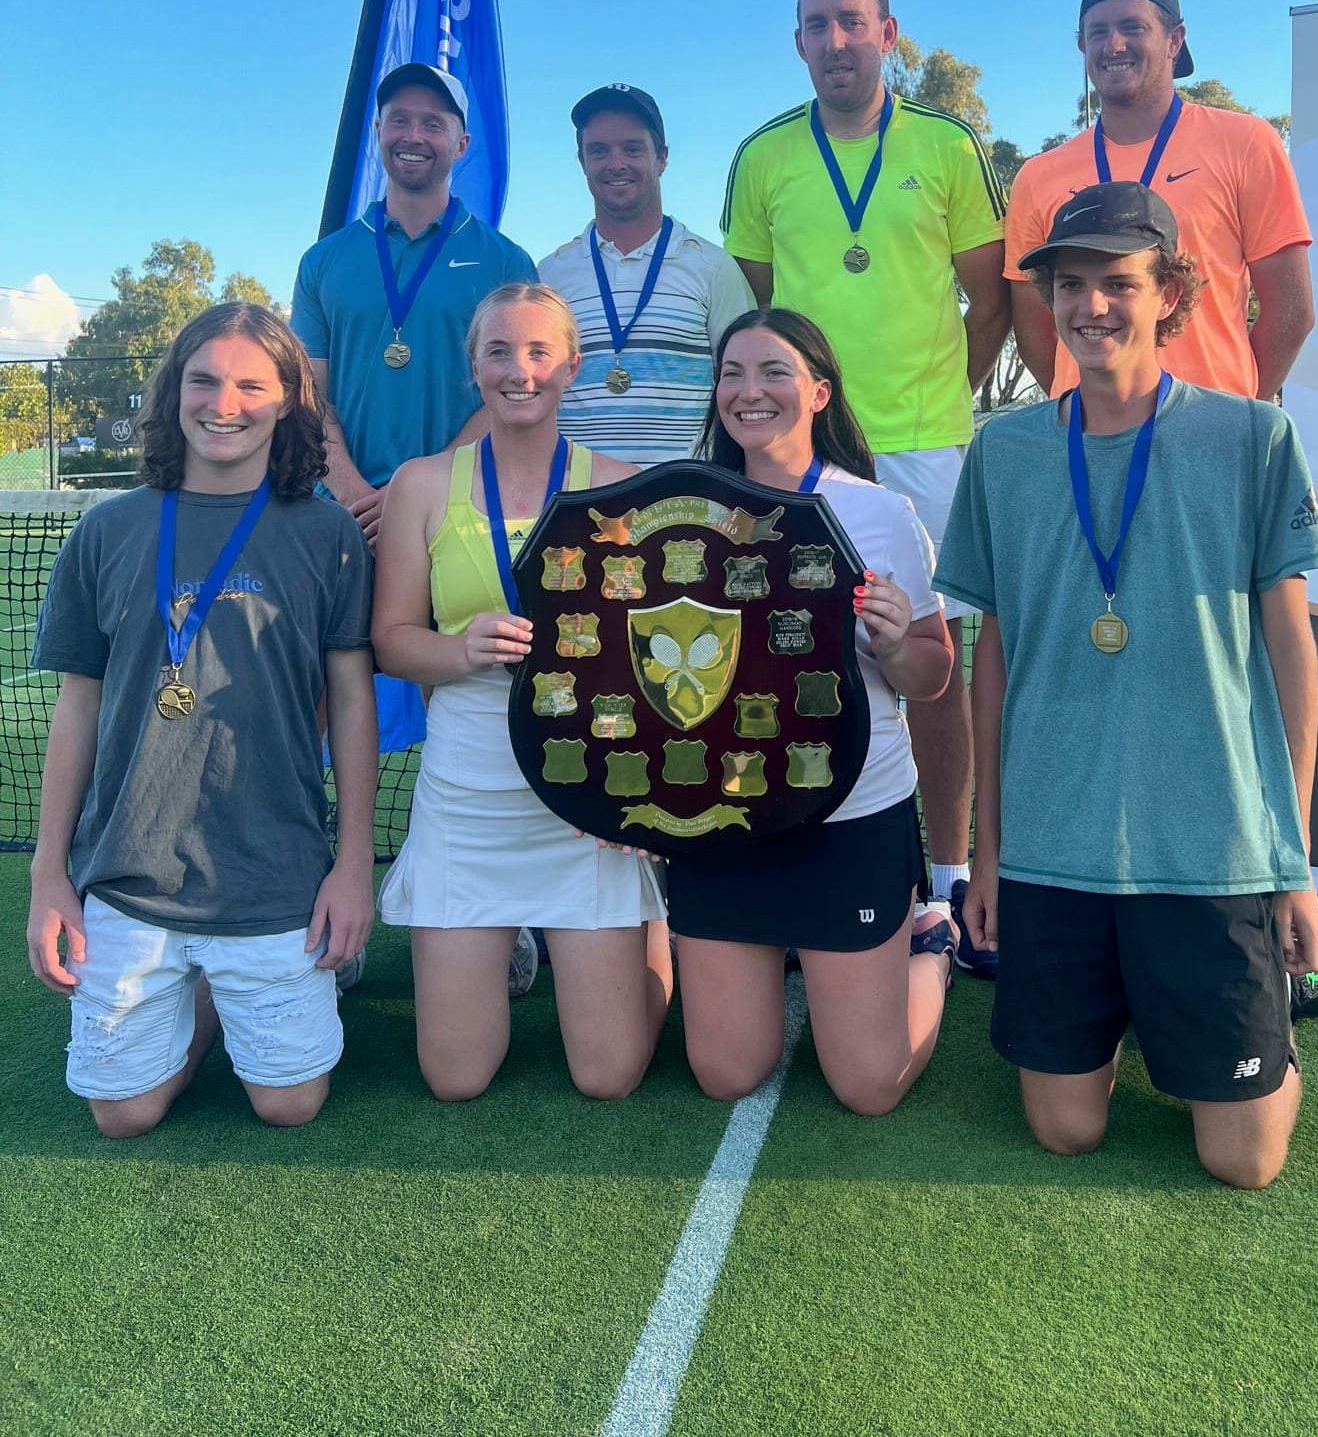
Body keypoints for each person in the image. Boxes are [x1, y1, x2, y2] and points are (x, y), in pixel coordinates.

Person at [935, 183, 1318, 1187]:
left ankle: (1246, 1046)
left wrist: (1294, 860)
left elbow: (1291, 652)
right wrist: (989, 856)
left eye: (1118, 281)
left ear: (1171, 294)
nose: (1091, 306)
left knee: (1243, 1161)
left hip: (1210, 846)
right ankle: (1146, 1025)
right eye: (1071, 284)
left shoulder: (1253, 438)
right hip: (1056, 849)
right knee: (1064, 1129)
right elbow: (994, 661)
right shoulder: (1005, 454)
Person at [26, 304, 377, 1137]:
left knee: (289, 1105)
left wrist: (354, 863)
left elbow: (354, 701)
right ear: (173, 390)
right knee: (123, 1116)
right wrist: (49, 872)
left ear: (290, 400)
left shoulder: (327, 534)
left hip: (273, 869)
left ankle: (218, 992)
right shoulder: (106, 528)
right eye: (205, 380)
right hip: (130, 870)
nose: (226, 402)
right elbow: (77, 708)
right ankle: (198, 988)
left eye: (253, 384)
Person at [721, 0, 1011, 968]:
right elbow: (756, 313)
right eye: (816, 25)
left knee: (931, 665)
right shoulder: (761, 158)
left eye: (853, 22)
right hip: (801, 447)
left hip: (927, 446)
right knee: (790, 647)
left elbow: (994, 298)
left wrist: (942, 401)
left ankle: (942, 880)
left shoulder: (948, 144)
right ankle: (799, 850)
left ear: (888, 32)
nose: (836, 40)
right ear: (796, 42)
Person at [371, 283, 672, 1101]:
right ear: (474, 367)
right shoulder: (423, 485)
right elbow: (391, 642)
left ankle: (652, 921)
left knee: (609, 1077)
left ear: (571, 366)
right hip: (469, 789)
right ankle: (521, 943)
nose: (520, 370)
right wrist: (460, 648)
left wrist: (637, 803)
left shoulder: (623, 486)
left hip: (587, 787)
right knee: (455, 1078)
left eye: (540, 351)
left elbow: (648, 662)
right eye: (499, 351)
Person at [670, 306, 957, 1116]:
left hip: (850, 815)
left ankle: (930, 945)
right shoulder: (685, 507)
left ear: (820, 392)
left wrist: (899, 645)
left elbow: (932, 675)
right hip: (720, 817)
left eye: (773, 372)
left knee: (868, 1088)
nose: (748, 391)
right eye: (732, 373)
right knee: (728, 1072)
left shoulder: (880, 513)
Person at [1005, 0, 1315, 403]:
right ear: (1082, 46)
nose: (1113, 45)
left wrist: (1235, 413)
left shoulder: (1245, 142)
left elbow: (1292, 310)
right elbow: (1035, 328)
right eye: (1097, 32)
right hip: (1085, 441)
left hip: (1211, 437)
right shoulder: (1038, 176)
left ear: (1175, 40)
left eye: (1133, 27)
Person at [291, 63, 537, 552]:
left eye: (433, 124)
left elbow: (514, 393)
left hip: (460, 511)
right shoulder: (323, 261)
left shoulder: (506, 261)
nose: (413, 136)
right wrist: (354, 493)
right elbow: (308, 397)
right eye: (399, 120)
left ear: (461, 144)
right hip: (343, 517)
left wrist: (424, 487)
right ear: (378, 131)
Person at [538, 83, 754, 463]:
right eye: (599, 150)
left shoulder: (713, 268)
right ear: (581, 161)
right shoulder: (550, 277)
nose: (615, 163)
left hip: (687, 502)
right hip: (577, 502)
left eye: (633, 148)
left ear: (662, 159)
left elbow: (744, 384)